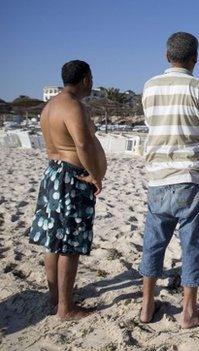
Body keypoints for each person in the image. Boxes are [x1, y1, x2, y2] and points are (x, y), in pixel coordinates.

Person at [139, 32, 199, 328]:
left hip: (158, 176)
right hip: (191, 176)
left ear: (166, 56)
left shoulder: (149, 87)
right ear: (195, 59)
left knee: (154, 241)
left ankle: (147, 306)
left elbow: (154, 126)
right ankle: (189, 312)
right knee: (194, 244)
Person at [29, 60, 107, 320]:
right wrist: (95, 175)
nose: (92, 82)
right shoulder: (72, 106)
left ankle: (55, 300)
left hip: (53, 174)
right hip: (70, 178)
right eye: (91, 78)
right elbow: (83, 145)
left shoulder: (50, 106)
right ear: (85, 79)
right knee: (70, 245)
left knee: (54, 242)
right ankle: (66, 307)